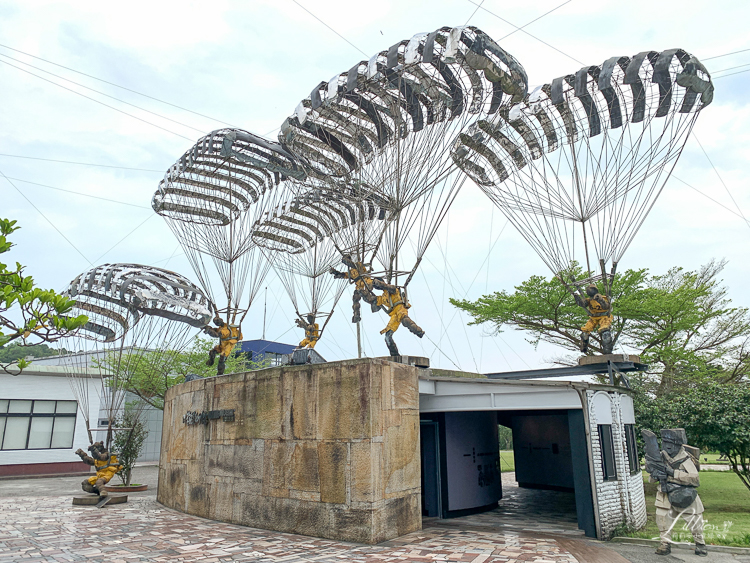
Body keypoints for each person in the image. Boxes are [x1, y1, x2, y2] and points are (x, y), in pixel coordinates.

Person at [648, 428, 707, 557]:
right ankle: (665, 543)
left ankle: (700, 544)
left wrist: (672, 472)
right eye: (665, 443)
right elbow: (651, 480)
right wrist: (655, 473)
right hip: (665, 493)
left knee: (694, 520)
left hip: (684, 493)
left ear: (678, 444)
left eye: (671, 443)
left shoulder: (685, 459)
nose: (668, 447)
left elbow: (695, 479)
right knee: (662, 518)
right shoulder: (660, 457)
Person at [371, 279, 424, 356]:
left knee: (405, 320)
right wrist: (366, 295)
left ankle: (419, 331)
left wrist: (380, 283)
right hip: (394, 315)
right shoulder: (382, 297)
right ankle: (394, 354)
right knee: (387, 336)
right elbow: (374, 307)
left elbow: (388, 287)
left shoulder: (392, 289)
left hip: (400, 309)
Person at [330, 255, 379, 323]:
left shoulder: (358, 265)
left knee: (366, 295)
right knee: (355, 298)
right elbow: (344, 275)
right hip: (359, 286)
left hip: (366, 281)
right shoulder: (351, 271)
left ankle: (375, 303)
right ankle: (356, 315)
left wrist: (347, 261)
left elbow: (356, 266)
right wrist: (335, 272)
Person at [568, 283, 614, 354]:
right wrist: (577, 298)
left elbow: (606, 306)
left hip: (604, 317)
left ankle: (607, 350)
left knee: (605, 331)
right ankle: (584, 347)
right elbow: (583, 304)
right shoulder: (589, 300)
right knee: (585, 332)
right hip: (593, 317)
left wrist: (600, 300)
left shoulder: (603, 298)